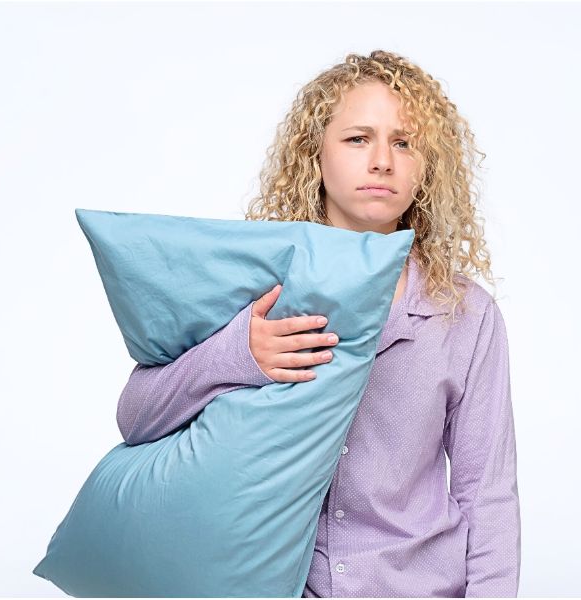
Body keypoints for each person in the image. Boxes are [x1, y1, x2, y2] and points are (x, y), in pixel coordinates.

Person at [115, 50, 521, 598]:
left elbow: (487, 493)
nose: (382, 161)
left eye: (404, 142)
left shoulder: (466, 314)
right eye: (358, 139)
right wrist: (240, 354)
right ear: (316, 155)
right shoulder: (255, 290)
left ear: (428, 165)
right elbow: (136, 418)